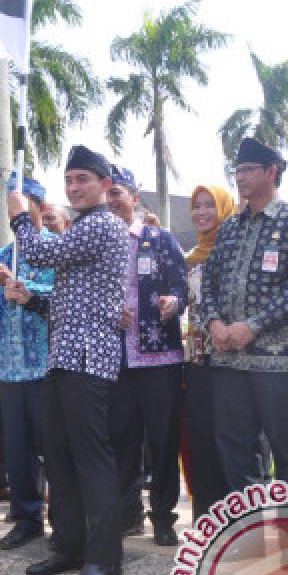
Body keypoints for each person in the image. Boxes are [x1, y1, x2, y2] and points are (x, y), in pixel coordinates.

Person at [7, 145, 130, 575]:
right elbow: (74, 302)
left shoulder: (103, 225)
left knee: (91, 459)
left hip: (88, 360)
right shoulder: (84, 228)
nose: (75, 187)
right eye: (70, 179)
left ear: (103, 184)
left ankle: (105, 558)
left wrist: (22, 215)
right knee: (58, 456)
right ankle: (71, 545)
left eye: (83, 179)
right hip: (64, 355)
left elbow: (38, 253)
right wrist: (33, 300)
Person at [200, 138, 288, 492]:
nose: (240, 177)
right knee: (234, 449)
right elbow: (208, 286)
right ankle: (248, 532)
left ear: (272, 171)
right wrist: (215, 324)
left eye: (249, 170)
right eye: (237, 171)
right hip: (228, 358)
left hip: (279, 360)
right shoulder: (229, 228)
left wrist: (252, 326)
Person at [104, 166, 188, 546]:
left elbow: (180, 284)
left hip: (160, 358)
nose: (111, 200)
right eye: (106, 193)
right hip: (116, 359)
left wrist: (175, 300)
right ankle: (128, 515)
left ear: (134, 198)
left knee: (162, 441)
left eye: (118, 193)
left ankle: (164, 518)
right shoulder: (99, 242)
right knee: (121, 440)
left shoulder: (159, 238)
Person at [0, 173, 54, 550]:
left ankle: (65, 520)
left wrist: (19, 284)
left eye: (19, 205)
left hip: (47, 364)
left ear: (38, 206)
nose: (13, 213)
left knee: (52, 447)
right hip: (8, 367)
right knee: (17, 448)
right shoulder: (2, 255)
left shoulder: (56, 248)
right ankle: (26, 518)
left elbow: (60, 297)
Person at [181, 183, 236, 524]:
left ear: (224, 210)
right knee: (199, 439)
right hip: (195, 357)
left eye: (209, 206)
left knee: (231, 440)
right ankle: (207, 519)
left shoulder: (233, 253)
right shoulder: (188, 258)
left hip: (230, 357)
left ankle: (238, 518)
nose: (201, 212)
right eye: (197, 205)